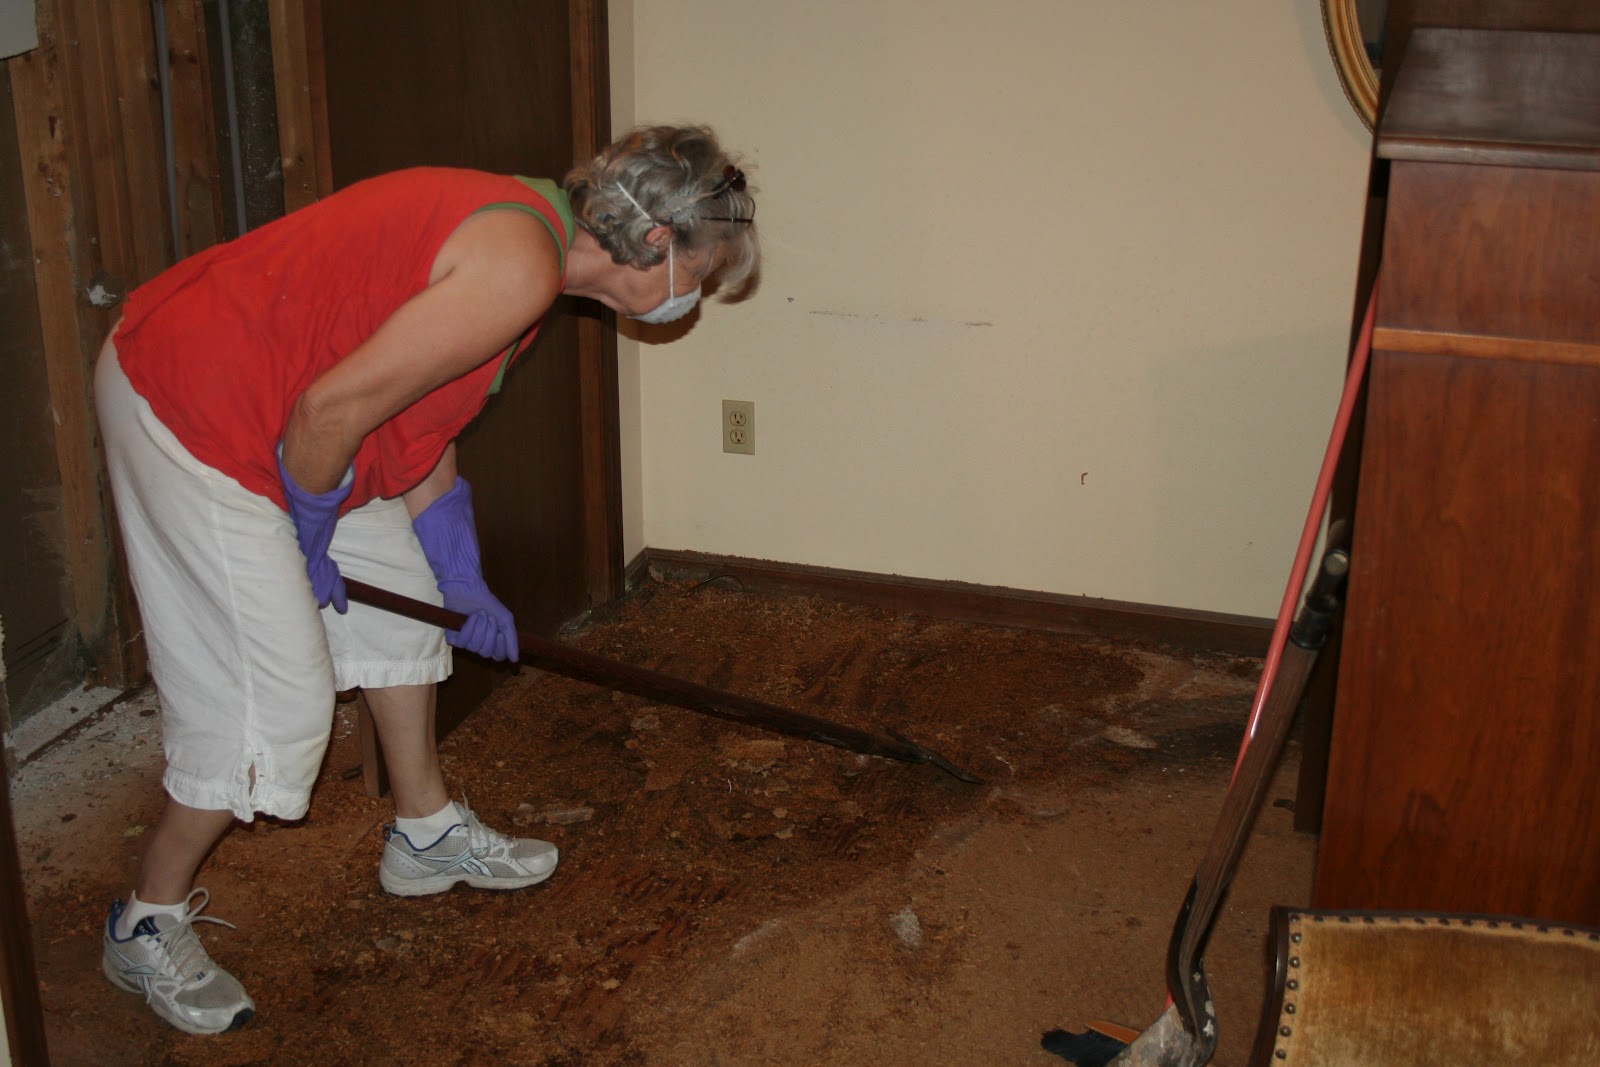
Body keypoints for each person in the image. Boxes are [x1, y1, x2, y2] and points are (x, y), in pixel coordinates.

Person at [93, 124, 759, 1035]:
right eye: (702, 275)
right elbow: (329, 411)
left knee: (409, 623)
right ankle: (145, 919)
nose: (695, 297)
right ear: (654, 246)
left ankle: (424, 832)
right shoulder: (517, 269)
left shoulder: (539, 240)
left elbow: (416, 415)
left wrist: (461, 575)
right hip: (198, 402)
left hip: (298, 407)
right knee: (272, 710)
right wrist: (311, 531)